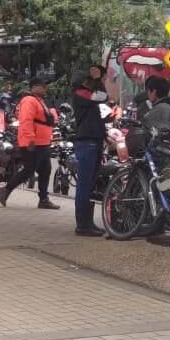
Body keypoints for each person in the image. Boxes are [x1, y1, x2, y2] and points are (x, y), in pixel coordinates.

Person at [0, 77, 60, 210]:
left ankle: (43, 199)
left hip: (42, 142)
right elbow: (26, 121)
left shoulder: (40, 101)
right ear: (34, 88)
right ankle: (6, 190)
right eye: (42, 86)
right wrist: (30, 138)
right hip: (33, 142)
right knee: (29, 170)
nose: (45, 89)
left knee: (45, 170)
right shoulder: (29, 100)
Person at [70, 66, 109, 236]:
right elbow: (103, 96)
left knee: (90, 185)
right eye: (90, 80)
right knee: (85, 185)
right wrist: (98, 79)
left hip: (94, 141)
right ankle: (83, 225)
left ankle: (88, 222)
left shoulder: (86, 95)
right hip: (87, 143)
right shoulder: (81, 93)